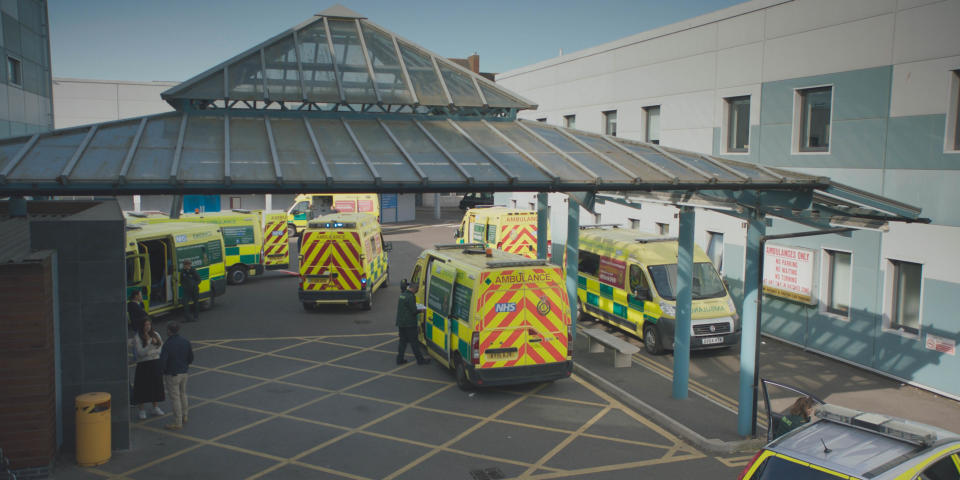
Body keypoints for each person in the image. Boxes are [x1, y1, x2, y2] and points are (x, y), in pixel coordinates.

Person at [159, 321, 193, 431]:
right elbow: (190, 357)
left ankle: (177, 422)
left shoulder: (168, 345)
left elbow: (163, 362)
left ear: (169, 331)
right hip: (184, 372)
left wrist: (162, 372)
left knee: (175, 398)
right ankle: (185, 415)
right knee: (183, 393)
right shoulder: (185, 342)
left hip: (172, 374)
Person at [130, 319, 164, 420]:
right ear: (142, 326)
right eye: (145, 325)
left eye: (149, 324)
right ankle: (141, 410)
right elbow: (140, 353)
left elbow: (160, 347)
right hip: (144, 365)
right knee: (142, 387)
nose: (148, 326)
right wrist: (150, 345)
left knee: (155, 385)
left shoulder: (156, 334)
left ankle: (155, 407)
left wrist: (151, 352)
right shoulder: (137, 337)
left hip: (155, 362)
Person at [395, 283, 429, 366]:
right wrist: (421, 310)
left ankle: (400, 359)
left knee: (402, 342)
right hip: (409, 324)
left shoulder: (402, 295)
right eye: (416, 290)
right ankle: (420, 360)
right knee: (414, 342)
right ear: (414, 289)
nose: (416, 292)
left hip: (401, 323)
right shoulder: (411, 297)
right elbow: (414, 310)